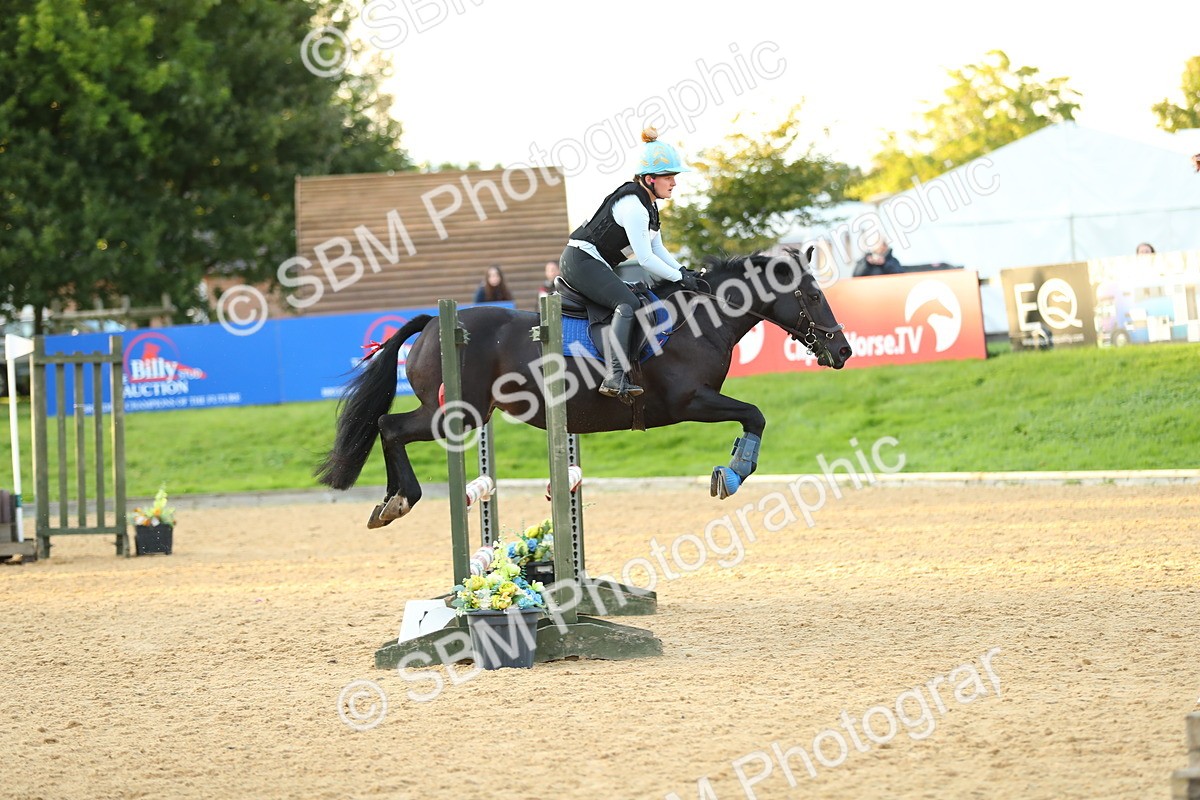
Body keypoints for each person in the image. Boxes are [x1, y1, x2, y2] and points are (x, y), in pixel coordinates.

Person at [559, 127, 699, 400]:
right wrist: (677, 278)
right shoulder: (634, 206)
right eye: (669, 177)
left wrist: (681, 271)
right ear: (650, 179)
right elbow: (645, 260)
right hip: (580, 261)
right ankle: (614, 376)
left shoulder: (649, 204)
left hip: (591, 261)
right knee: (628, 304)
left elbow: (657, 247)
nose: (674, 183)